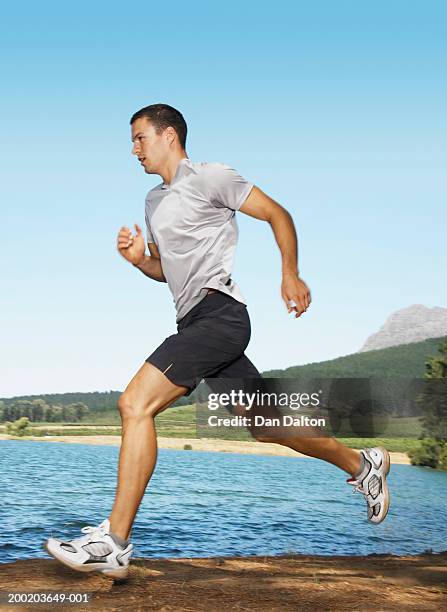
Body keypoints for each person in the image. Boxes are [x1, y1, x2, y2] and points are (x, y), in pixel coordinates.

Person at [44, 104, 390, 579]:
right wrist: (138, 260)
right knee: (269, 428)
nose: (133, 149)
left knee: (135, 404)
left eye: (140, 138)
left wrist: (290, 273)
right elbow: (165, 271)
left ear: (169, 135)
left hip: (221, 314)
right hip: (194, 323)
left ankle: (115, 542)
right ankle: (363, 463)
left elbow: (277, 214)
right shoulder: (153, 201)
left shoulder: (212, 177)